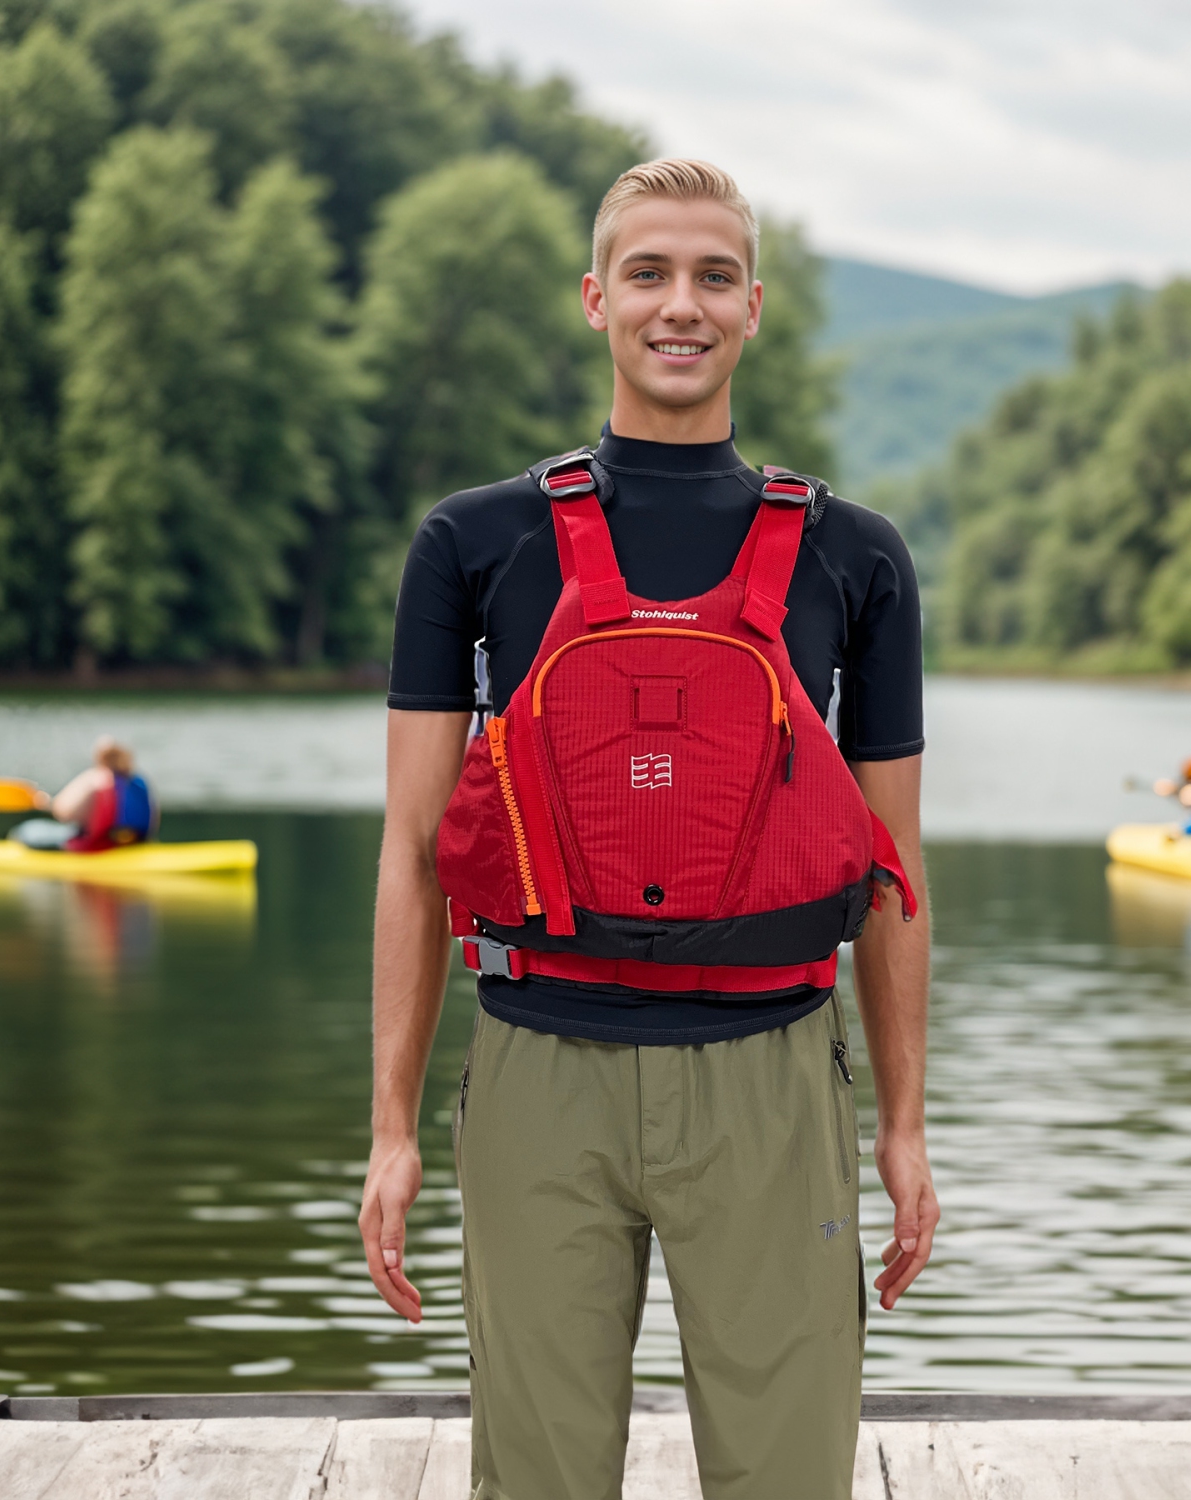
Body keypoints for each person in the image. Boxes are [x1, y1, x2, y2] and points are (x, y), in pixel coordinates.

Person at [360, 159, 937, 1500]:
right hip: (536, 1071)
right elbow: (411, 853)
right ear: (596, 299)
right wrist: (390, 1126)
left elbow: (897, 871)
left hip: (773, 1078)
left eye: (714, 276)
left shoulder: (857, 555)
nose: (682, 305)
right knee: (538, 1482)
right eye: (650, 274)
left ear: (753, 308)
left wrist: (906, 1126)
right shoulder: (473, 542)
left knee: (789, 1481)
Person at [8, 737, 157, 851]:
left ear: (99, 758)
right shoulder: (138, 781)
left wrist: (47, 803)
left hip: (94, 847)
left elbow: (64, 813)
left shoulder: (96, 779)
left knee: (24, 831)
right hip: (135, 844)